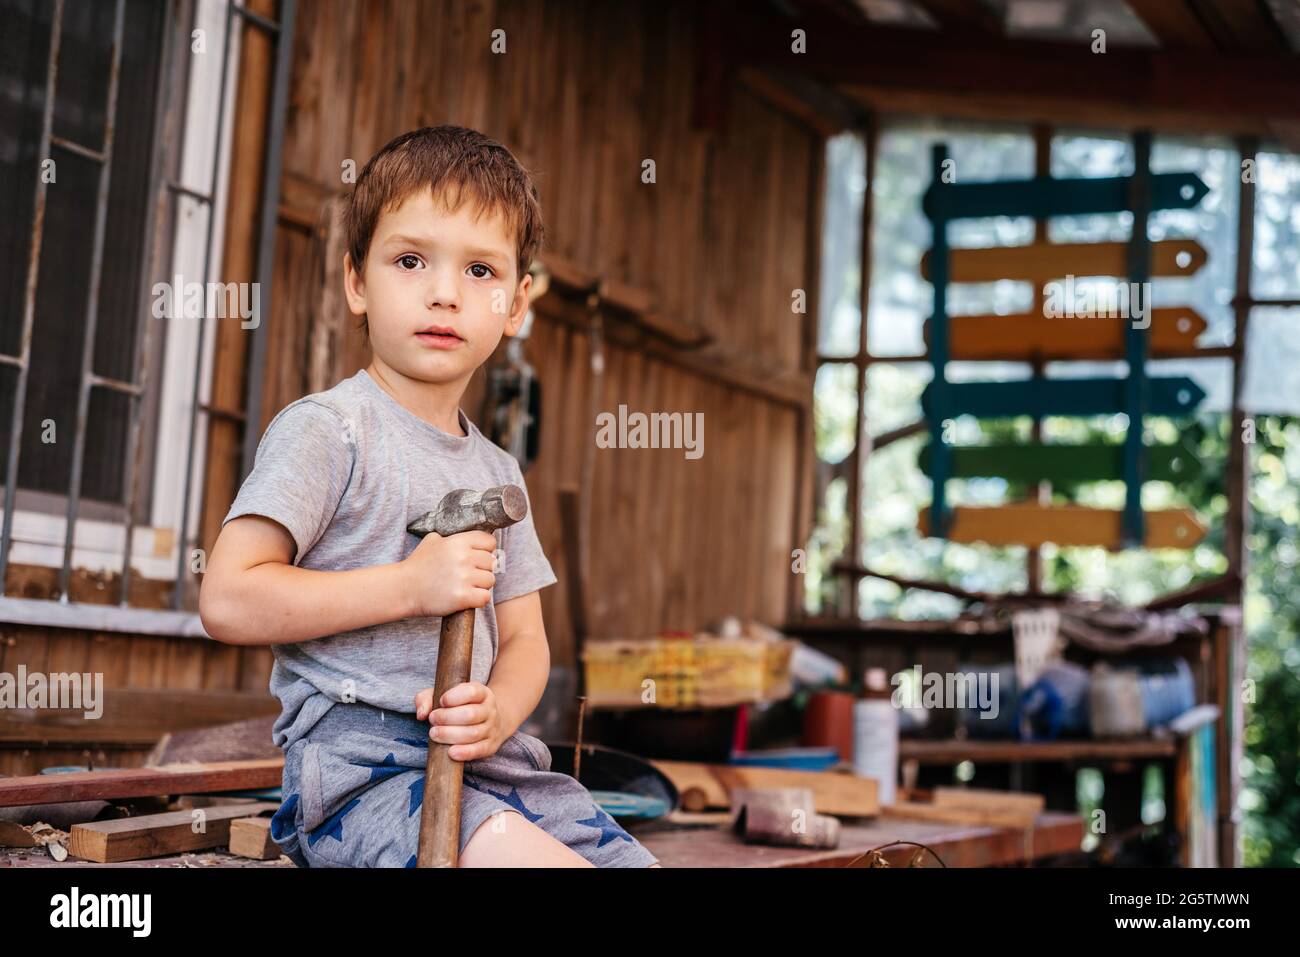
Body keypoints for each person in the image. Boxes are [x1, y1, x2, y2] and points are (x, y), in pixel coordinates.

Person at [200, 126, 659, 868]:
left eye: (481, 270)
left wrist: (501, 708)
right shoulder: (331, 434)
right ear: (357, 280)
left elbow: (525, 642)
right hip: (361, 779)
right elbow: (227, 599)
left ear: (517, 304)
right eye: (410, 260)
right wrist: (411, 586)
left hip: (495, 768)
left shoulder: (499, 472)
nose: (444, 292)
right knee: (512, 856)